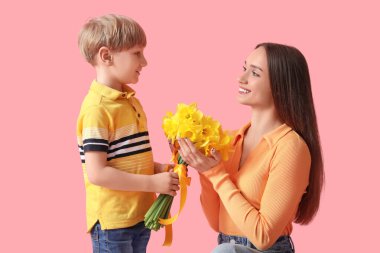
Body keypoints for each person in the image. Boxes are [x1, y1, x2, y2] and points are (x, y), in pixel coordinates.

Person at [177, 42, 324, 252]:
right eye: (244, 68)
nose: (241, 78)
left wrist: (216, 174)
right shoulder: (229, 140)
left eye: (254, 73)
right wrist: (204, 171)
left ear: (280, 84)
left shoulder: (290, 148)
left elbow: (263, 236)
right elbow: (217, 224)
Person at [76, 14, 179, 253]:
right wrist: (152, 182)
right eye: (137, 53)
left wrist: (159, 169)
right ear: (106, 56)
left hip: (139, 215)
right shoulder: (97, 109)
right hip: (114, 222)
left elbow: (127, 159)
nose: (144, 62)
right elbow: (98, 173)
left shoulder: (129, 102)